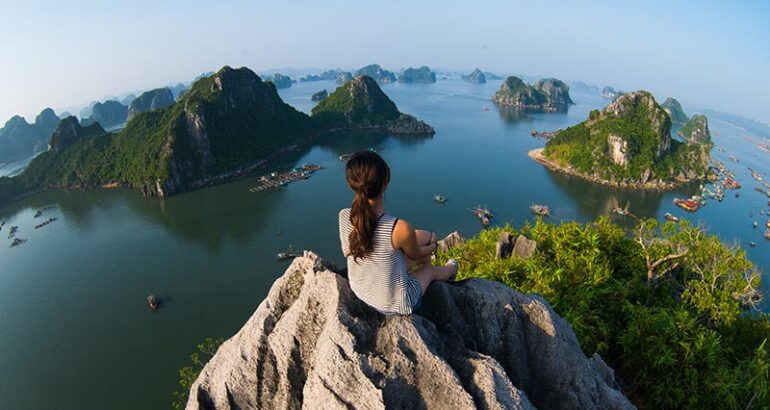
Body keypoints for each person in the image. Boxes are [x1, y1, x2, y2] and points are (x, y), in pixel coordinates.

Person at [338, 151, 458, 315]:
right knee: (430, 271)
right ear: (385, 182)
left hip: (360, 290)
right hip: (392, 304)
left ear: (351, 184)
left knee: (418, 236)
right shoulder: (398, 227)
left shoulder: (345, 216)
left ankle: (429, 239)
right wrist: (433, 246)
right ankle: (452, 269)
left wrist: (427, 239)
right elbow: (416, 254)